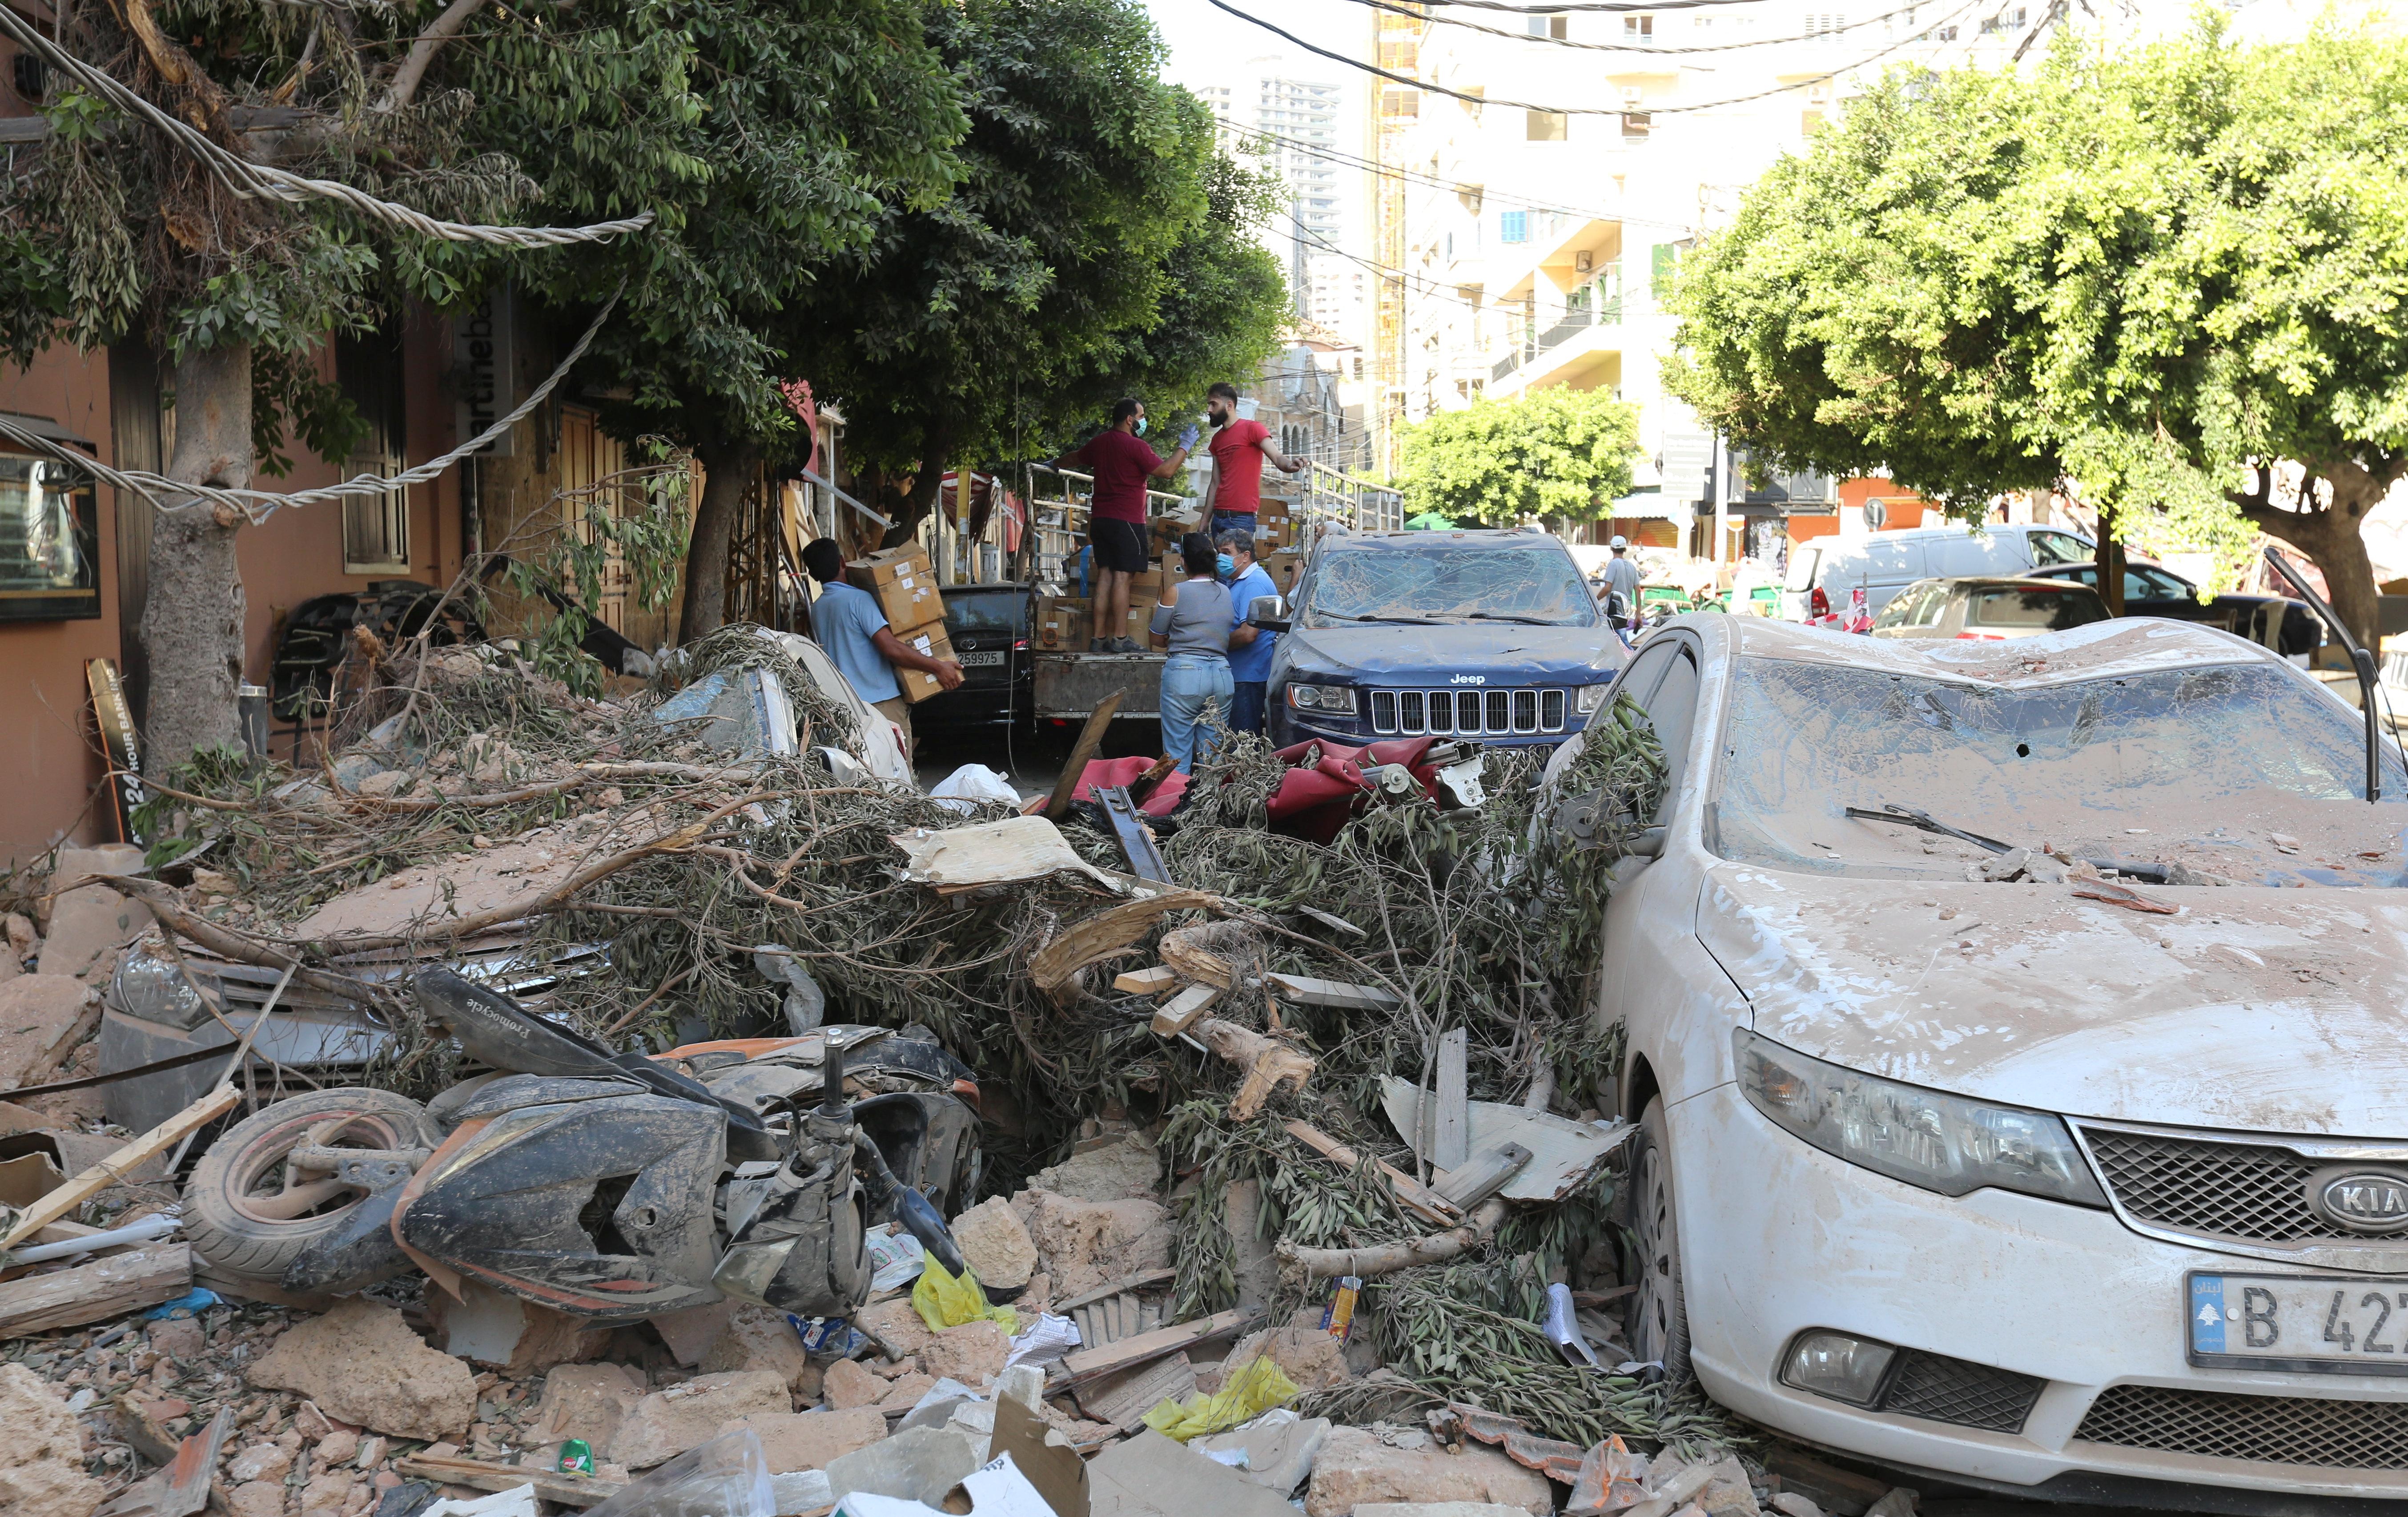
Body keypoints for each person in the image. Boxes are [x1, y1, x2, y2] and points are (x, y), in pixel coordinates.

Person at [800, 537, 963, 756]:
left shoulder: (818, 608)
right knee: (898, 777)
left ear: (812, 575)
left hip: (846, 707)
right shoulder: (859, 600)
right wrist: (938, 667)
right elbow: (890, 648)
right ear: (842, 562)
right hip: (881, 706)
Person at [1055, 399, 1195, 652]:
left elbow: (1074, 458)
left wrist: (1054, 463)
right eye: (1141, 416)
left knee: (1106, 577)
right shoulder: (1135, 446)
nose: (1144, 421)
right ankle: (1120, 639)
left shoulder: (1100, 442)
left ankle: (1098, 639)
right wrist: (1184, 446)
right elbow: (1166, 471)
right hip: (1127, 522)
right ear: (1130, 419)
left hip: (1100, 521)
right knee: (1122, 578)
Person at [1148, 531, 1235, 772]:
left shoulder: (1176, 592)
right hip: (1222, 674)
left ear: (1183, 562)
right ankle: (1212, 807)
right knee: (1214, 754)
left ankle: (1176, 806)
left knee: (1177, 753)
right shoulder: (1225, 592)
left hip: (1185, 674)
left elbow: (1156, 636)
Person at [1200, 382, 1305, 539]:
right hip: (1218, 518)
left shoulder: (1253, 429)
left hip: (1241, 518)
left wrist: (1291, 466)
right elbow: (1215, 483)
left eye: (1213, 404)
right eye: (1209, 404)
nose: (1209, 410)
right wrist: (1204, 524)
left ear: (1229, 405)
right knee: (1221, 565)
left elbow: (1277, 457)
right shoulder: (1217, 440)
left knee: (1238, 564)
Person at [1215, 527, 1277, 735]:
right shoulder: (1242, 581)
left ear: (1246, 555)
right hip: (1243, 674)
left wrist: (1212, 645)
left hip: (1248, 677)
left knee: (1242, 742)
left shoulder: (1255, 583)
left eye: (1226, 552)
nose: (1220, 558)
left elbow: (1249, 634)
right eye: (1219, 552)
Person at [1601, 534, 1643, 644]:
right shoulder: (1632, 566)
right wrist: (1639, 614)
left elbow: (1607, 588)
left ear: (1611, 548)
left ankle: (1631, 657)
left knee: (1622, 641)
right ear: (1624, 549)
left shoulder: (1613, 564)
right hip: (1627, 608)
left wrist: (1593, 600)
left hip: (1616, 608)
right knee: (1617, 640)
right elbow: (1638, 590)